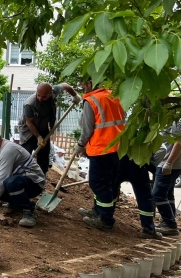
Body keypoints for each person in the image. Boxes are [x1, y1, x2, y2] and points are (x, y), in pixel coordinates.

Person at [74, 78, 129, 232]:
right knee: (109, 183)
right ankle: (98, 211)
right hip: (117, 147)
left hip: (101, 148)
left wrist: (80, 146)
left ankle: (105, 219)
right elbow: (122, 116)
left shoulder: (91, 101)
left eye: (83, 84)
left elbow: (87, 129)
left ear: (90, 83)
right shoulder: (114, 94)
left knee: (98, 183)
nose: (82, 88)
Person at [0, 128, 46, 227]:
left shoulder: (8, 149)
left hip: (34, 183)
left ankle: (28, 211)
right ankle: (15, 202)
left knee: (11, 182)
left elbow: (3, 176)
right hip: (17, 180)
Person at [18, 82, 81, 175]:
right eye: (38, 95)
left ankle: (41, 180)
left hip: (43, 129)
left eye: (44, 97)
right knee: (25, 156)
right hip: (28, 131)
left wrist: (75, 96)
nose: (40, 98)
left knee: (44, 157)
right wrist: (38, 137)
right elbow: (29, 122)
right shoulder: (29, 104)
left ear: (50, 93)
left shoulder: (54, 91)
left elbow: (66, 85)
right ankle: (20, 178)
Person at [151, 121, 181, 236]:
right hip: (170, 162)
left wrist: (169, 162)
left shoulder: (177, 119)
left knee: (157, 194)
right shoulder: (171, 116)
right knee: (168, 194)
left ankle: (170, 224)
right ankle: (169, 221)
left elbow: (179, 141)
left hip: (168, 162)